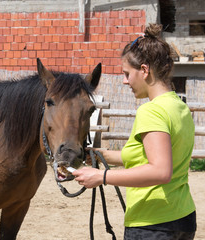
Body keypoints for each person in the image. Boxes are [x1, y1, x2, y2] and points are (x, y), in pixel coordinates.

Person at [73, 23, 196, 240]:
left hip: (153, 223)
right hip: (182, 217)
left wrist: (102, 177)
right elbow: (143, 156)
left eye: (127, 74)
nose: (124, 81)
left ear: (144, 70)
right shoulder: (178, 106)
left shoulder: (151, 111)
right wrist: (97, 154)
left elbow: (160, 171)